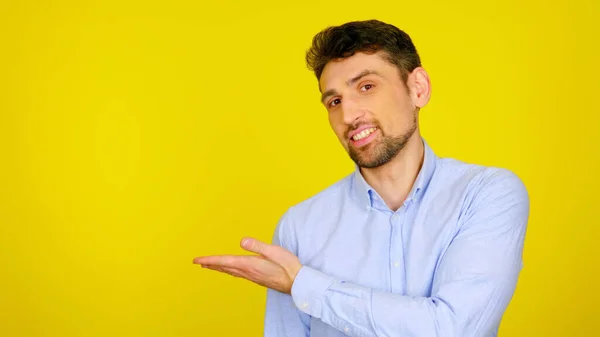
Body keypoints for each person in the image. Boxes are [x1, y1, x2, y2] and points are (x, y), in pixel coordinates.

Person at [193, 19, 530, 337]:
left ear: (418, 88)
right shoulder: (298, 227)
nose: (348, 115)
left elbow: (453, 328)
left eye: (367, 87)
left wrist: (304, 284)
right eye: (334, 101)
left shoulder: (486, 194)